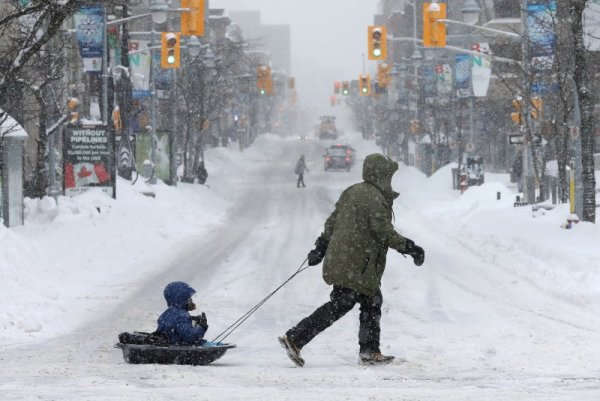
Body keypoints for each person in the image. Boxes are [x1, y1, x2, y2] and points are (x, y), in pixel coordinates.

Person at [278, 153, 425, 366]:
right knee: (345, 303)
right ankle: (297, 337)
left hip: (347, 260)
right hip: (358, 265)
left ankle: (368, 350)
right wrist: (411, 248)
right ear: (381, 174)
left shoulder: (352, 191)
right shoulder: (375, 198)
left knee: (369, 300)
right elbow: (384, 232)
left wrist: (320, 248)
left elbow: (331, 223)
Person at [156, 281, 209, 346]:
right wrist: (202, 327)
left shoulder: (167, 313)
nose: (191, 300)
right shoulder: (181, 315)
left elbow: (175, 325)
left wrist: (191, 319)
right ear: (181, 299)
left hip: (170, 345)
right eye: (189, 298)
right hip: (180, 349)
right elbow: (191, 337)